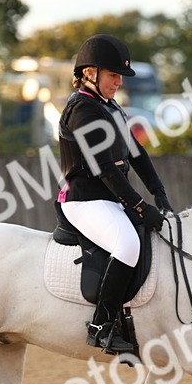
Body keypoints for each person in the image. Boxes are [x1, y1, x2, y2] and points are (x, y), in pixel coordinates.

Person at [57, 34, 174, 357]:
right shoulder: (82, 110)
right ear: (90, 73)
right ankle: (101, 324)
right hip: (85, 200)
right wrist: (139, 206)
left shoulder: (108, 106)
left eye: (120, 76)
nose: (119, 82)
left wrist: (158, 192)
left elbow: (136, 152)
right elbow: (106, 169)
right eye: (113, 75)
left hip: (107, 198)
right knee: (127, 245)